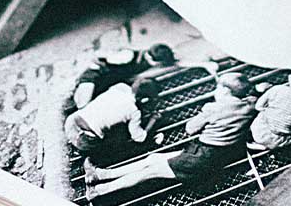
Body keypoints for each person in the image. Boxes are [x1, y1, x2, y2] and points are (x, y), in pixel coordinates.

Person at [82, 72, 257, 201]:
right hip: (209, 152)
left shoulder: (213, 108)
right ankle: (100, 175)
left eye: (218, 87)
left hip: (201, 159)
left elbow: (190, 129)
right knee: (153, 158)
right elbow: (254, 96)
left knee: (149, 172)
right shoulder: (249, 106)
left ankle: (100, 191)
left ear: (226, 92)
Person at [63, 78, 160, 159]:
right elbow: (139, 138)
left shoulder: (120, 87)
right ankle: (85, 155)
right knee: (117, 142)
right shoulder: (134, 111)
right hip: (84, 140)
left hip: (71, 121)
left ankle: (73, 146)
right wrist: (153, 120)